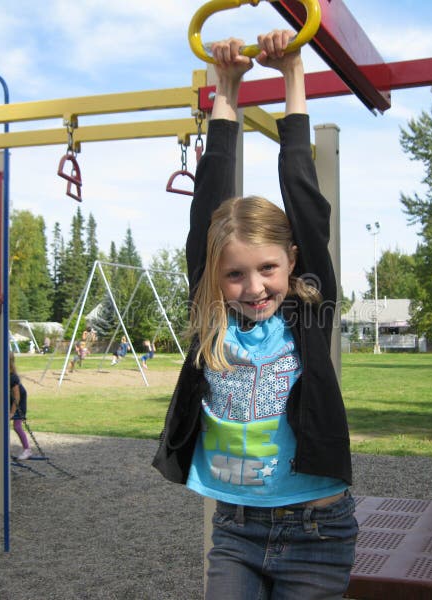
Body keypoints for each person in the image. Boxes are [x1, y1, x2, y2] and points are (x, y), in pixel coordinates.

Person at [152, 30, 356, 599]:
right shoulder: (213, 316)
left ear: (292, 262)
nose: (254, 286)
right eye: (235, 274)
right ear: (216, 276)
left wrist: (293, 75)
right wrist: (226, 89)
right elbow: (208, 201)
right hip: (236, 530)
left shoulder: (308, 312)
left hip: (317, 530)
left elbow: (306, 202)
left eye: (268, 268)